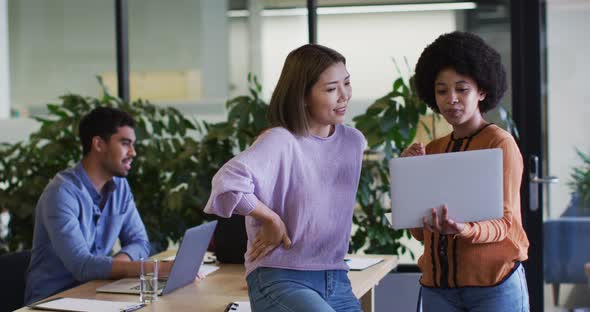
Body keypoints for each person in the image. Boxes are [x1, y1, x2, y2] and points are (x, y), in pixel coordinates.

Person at [204, 44, 365, 312]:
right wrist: (271, 218)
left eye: (346, 83)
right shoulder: (280, 140)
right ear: (303, 96)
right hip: (279, 276)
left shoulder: (353, 142)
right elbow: (226, 183)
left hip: (336, 277)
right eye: (331, 89)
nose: (344, 95)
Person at [402, 31, 530, 311]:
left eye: (462, 89)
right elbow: (421, 234)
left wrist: (464, 229)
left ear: (482, 90)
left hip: (494, 286)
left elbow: (506, 224)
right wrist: (409, 178)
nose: (451, 99)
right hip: (438, 290)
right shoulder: (433, 149)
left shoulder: (499, 143)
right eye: (442, 90)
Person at [25, 107, 172, 304]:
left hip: (98, 293)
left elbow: (140, 243)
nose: (133, 152)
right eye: (125, 143)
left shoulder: (120, 187)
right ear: (98, 144)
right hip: (52, 303)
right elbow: (82, 266)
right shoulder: (61, 193)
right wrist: (156, 269)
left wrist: (113, 266)